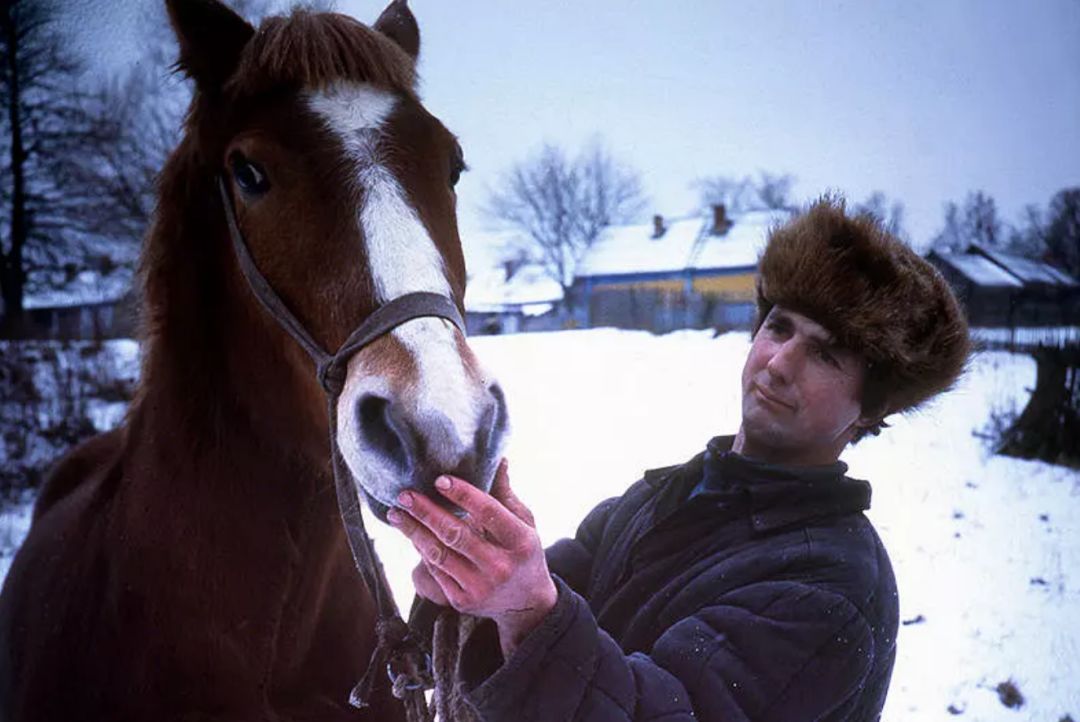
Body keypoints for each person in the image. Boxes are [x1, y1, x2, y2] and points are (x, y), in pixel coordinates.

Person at [388, 197, 971, 721]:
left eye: (826, 354)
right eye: (779, 326)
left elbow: (668, 710)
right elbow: (561, 592)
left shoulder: (831, 588)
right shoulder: (664, 496)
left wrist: (529, 613)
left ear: (869, 409)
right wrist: (481, 583)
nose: (778, 362)